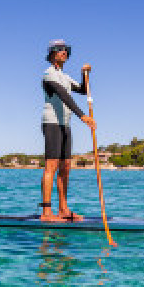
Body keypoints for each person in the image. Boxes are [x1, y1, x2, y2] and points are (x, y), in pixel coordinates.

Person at [40, 39, 96, 221]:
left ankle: (63, 209)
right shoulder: (49, 74)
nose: (64, 52)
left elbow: (82, 89)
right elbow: (64, 96)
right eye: (60, 49)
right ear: (52, 54)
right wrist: (83, 116)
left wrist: (84, 74)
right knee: (51, 165)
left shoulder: (65, 77)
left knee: (65, 167)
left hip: (65, 124)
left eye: (66, 50)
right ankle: (47, 212)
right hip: (52, 123)